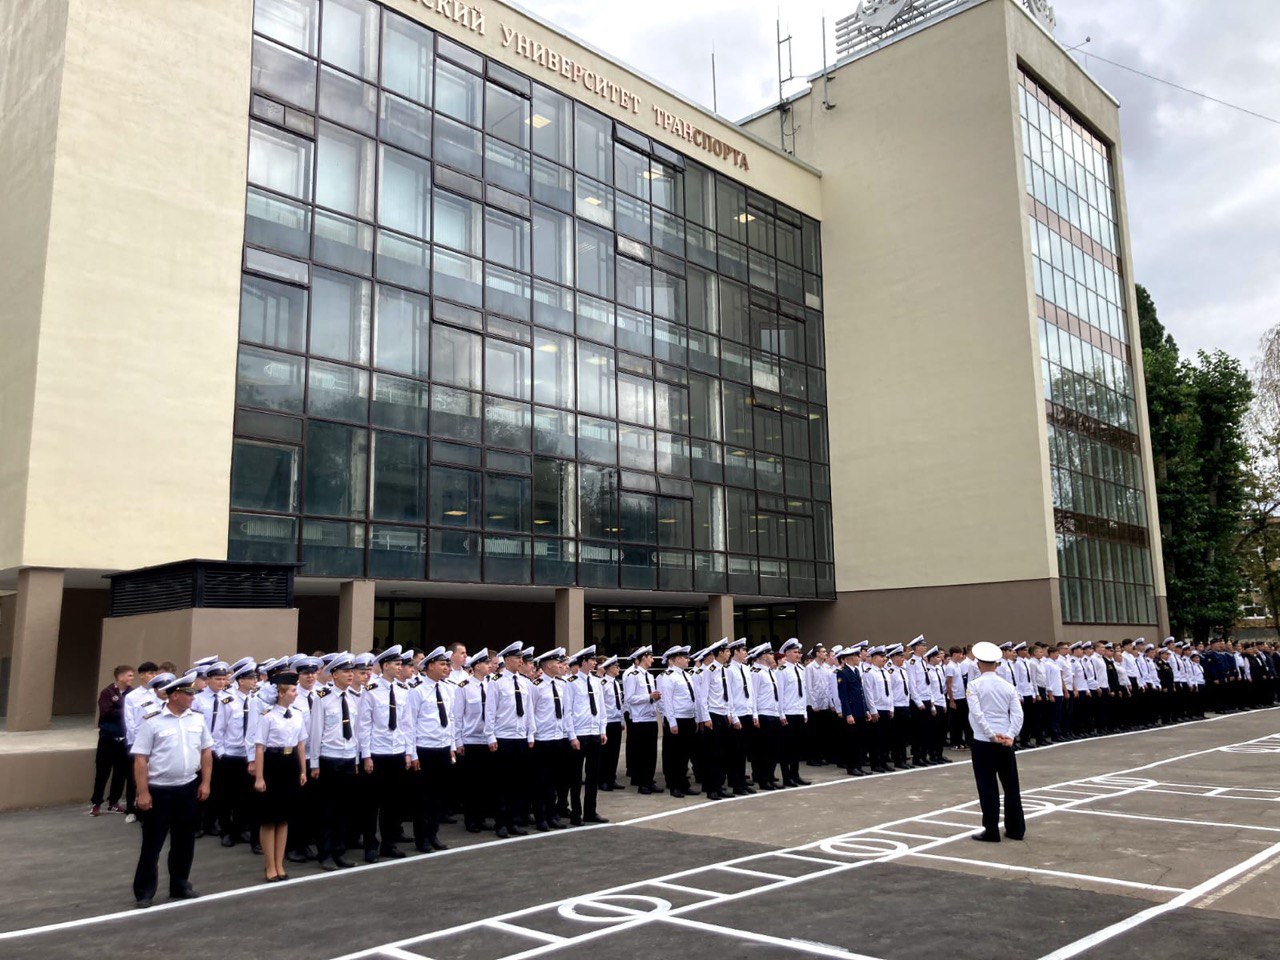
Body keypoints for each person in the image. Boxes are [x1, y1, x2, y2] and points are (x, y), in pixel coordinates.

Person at [130, 671, 213, 908]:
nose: (193, 698)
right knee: (152, 843)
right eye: (189, 694)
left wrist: (205, 782)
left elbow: (206, 752)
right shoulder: (152, 721)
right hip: (159, 790)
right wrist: (143, 792)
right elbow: (141, 759)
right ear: (175, 695)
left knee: (184, 841)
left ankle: (180, 884)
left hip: (187, 787)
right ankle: (144, 891)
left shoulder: (197, 719)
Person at [966, 641, 1025, 843]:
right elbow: (1018, 714)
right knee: (1011, 786)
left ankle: (991, 830)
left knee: (987, 787)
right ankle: (1016, 829)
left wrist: (991, 734)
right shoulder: (1007, 686)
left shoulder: (974, 685)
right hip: (1005, 742)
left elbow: (977, 714)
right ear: (997, 664)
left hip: (984, 742)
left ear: (978, 664)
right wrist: (1010, 734)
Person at [308, 652, 362, 870]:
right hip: (329, 758)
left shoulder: (354, 697)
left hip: (348, 756)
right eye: (346, 672)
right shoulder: (322, 698)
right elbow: (315, 732)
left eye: (352, 671)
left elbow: (356, 731)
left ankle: (340, 851)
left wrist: (357, 758)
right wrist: (314, 763)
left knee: (344, 809)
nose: (350, 675)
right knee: (327, 810)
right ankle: (326, 853)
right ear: (334, 674)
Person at [252, 672, 307, 882]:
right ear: (282, 692)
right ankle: (269, 865)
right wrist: (259, 777)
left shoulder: (298, 714)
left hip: (290, 763)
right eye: (293, 690)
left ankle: (280, 863)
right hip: (272, 764)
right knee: (269, 819)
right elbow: (259, 747)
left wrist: (302, 770)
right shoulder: (267, 716)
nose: (295, 694)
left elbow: (300, 744)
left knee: (283, 818)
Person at [91, 664, 135, 817]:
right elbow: (106, 712)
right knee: (103, 771)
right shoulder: (107, 692)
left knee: (120, 772)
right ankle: (96, 803)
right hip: (108, 738)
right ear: (120, 677)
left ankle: (114, 802)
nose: (131, 678)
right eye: (129, 675)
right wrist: (125, 710)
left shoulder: (132, 693)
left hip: (124, 739)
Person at [623, 646, 660, 794]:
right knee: (642, 754)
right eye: (650, 657)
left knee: (652, 753)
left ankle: (649, 781)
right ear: (643, 657)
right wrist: (649, 697)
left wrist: (654, 698)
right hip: (639, 720)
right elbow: (630, 698)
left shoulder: (650, 676)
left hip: (650, 717)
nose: (652, 659)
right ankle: (643, 783)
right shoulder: (633, 675)